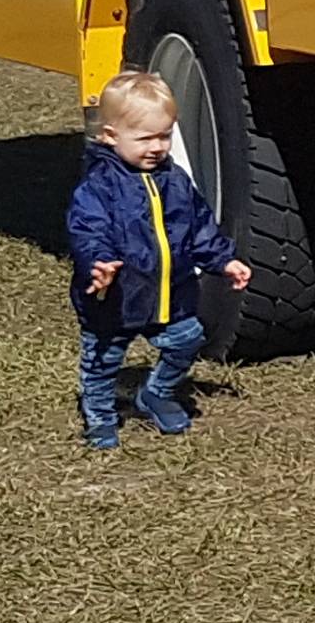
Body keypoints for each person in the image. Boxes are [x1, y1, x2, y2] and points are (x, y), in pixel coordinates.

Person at [66, 69, 247, 448]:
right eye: (145, 137)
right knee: (102, 362)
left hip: (170, 295)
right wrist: (98, 264)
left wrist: (222, 260)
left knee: (188, 338)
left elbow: (197, 225)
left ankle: (156, 393)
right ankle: (100, 419)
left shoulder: (174, 179)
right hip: (115, 296)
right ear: (111, 136)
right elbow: (87, 230)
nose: (157, 146)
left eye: (164, 135)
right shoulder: (100, 185)